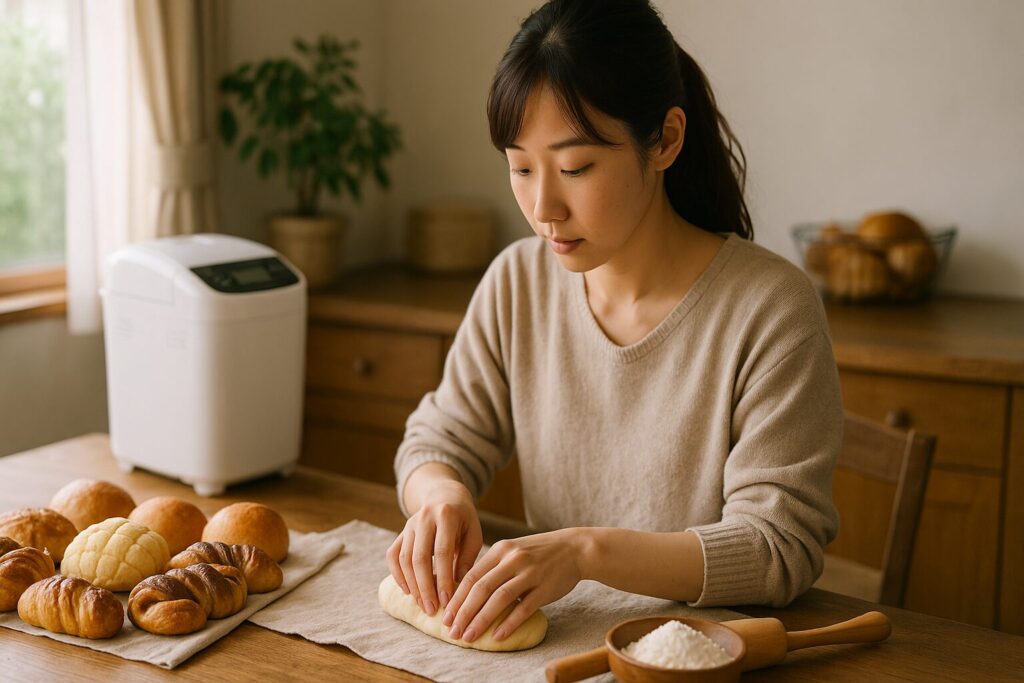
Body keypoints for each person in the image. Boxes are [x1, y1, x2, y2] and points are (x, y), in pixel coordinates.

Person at [387, 0, 842, 646]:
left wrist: (584, 553)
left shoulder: (771, 309)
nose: (543, 207)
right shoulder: (517, 282)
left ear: (666, 140)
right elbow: (436, 440)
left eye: (575, 168)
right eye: (521, 167)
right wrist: (439, 495)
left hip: (704, 656)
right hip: (554, 651)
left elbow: (777, 546)